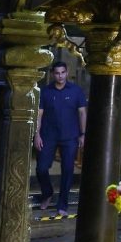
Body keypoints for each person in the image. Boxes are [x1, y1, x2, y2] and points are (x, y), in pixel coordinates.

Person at [35, 61, 87, 218]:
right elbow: (39, 114)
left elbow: (82, 113)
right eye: (57, 73)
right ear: (52, 73)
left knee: (67, 170)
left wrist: (83, 134)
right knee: (41, 168)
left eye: (62, 73)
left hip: (70, 136)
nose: (60, 76)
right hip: (48, 135)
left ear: (67, 72)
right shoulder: (45, 92)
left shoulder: (76, 91)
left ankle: (62, 204)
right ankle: (47, 192)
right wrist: (36, 134)